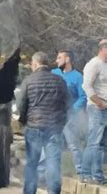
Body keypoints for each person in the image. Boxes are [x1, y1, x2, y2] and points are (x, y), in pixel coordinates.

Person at [18, 51, 69, 194]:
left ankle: (29, 192)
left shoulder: (28, 80)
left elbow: (21, 104)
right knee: (53, 163)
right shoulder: (59, 80)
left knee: (32, 164)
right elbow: (67, 103)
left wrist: (23, 120)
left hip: (33, 126)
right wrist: (62, 121)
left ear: (35, 64)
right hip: (54, 128)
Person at [39, 50, 87, 177]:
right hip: (53, 116)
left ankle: (82, 173)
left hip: (69, 118)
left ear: (68, 59)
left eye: (59, 58)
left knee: (73, 145)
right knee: (49, 144)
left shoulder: (77, 77)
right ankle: (41, 173)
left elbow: (83, 97)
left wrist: (72, 111)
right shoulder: (54, 73)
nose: (56, 60)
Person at [80, 39, 107, 184]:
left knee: (102, 144)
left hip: (105, 107)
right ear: (104, 49)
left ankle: (98, 176)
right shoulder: (94, 64)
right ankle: (85, 174)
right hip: (96, 107)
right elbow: (86, 86)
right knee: (94, 142)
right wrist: (99, 102)